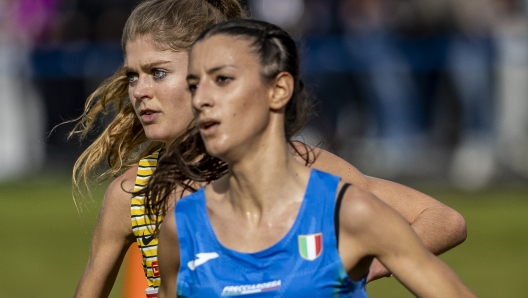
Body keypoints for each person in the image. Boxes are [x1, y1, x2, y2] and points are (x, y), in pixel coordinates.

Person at [70, 0, 466, 297]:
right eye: (132, 77)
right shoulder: (138, 199)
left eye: (157, 73)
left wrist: (359, 265)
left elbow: (442, 220)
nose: (139, 91)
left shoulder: (307, 173)